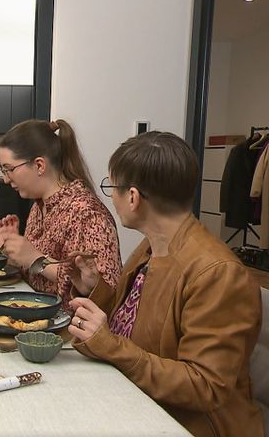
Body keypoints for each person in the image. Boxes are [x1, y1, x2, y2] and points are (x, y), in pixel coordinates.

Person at [66, 131, 263, 437]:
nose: (113, 198)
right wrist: (93, 288)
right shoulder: (152, 248)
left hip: (189, 426)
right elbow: (129, 325)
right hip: (140, 403)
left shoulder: (218, 273)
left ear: (133, 197)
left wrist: (112, 347)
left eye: (112, 187)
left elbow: (204, 386)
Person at [0, 119, 121, 310]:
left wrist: (36, 259)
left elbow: (105, 293)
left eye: (9, 169)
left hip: (71, 334)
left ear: (39, 165)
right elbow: (35, 276)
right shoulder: (39, 207)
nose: (5, 179)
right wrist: (12, 251)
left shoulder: (86, 214)